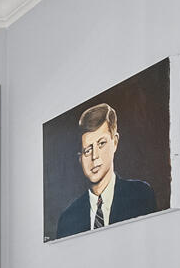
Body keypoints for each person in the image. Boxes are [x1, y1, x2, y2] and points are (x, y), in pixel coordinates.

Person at [54, 102, 157, 238]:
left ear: (114, 142)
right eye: (87, 150)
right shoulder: (67, 219)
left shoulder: (141, 196)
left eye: (101, 143)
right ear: (80, 158)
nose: (94, 156)